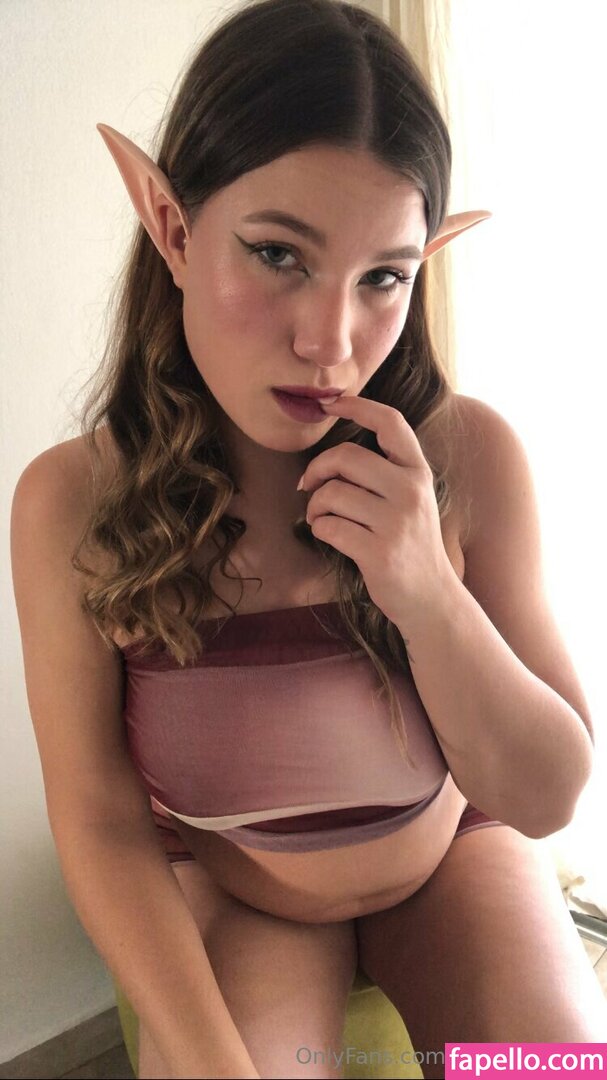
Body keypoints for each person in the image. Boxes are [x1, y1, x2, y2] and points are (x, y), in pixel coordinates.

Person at [11, 1, 607, 1077]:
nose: (331, 342)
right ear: (173, 228)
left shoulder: (467, 456)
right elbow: (100, 820)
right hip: (239, 890)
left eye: (383, 276)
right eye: (279, 254)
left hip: (455, 860)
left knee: (548, 1071)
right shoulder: (73, 501)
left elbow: (546, 794)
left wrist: (424, 588)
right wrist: (210, 1059)